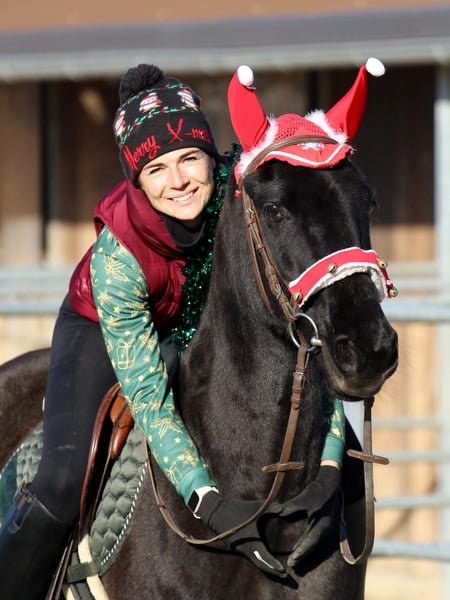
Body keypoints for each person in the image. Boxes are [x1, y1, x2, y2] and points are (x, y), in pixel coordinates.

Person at [0, 63, 345, 598]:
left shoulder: (247, 201)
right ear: (136, 180)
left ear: (212, 156)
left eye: (189, 158)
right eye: (156, 168)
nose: (179, 181)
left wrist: (330, 453)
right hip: (105, 329)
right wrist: (205, 496)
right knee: (63, 479)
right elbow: (148, 393)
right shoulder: (117, 259)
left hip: (202, 323)